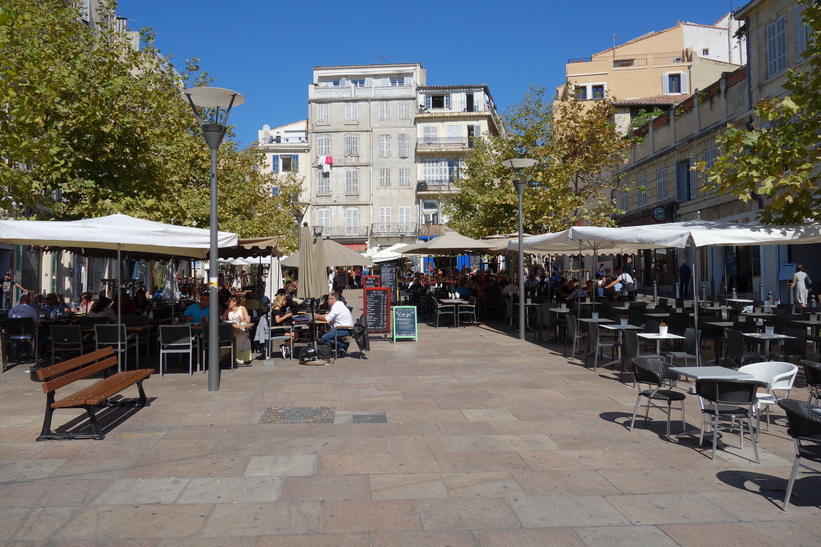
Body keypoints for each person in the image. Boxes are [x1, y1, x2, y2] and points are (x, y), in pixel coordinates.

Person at [222, 295, 252, 364]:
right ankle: (230, 357)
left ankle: (240, 358)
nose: (227, 303)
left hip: (241, 329)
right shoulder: (228, 310)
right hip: (232, 330)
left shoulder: (242, 308)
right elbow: (223, 319)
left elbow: (248, 320)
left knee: (240, 338)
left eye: (229, 301)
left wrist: (242, 319)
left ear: (234, 302)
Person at [271, 293, 299, 358]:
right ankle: (285, 346)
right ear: (281, 300)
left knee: (295, 334)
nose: (286, 301)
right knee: (295, 334)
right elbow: (277, 320)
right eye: (284, 300)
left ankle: (285, 346)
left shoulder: (280, 308)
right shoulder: (276, 309)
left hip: (280, 328)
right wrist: (286, 316)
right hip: (276, 330)